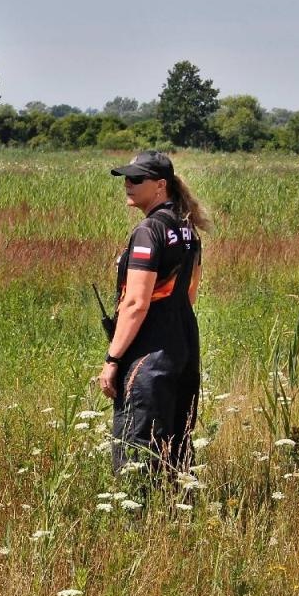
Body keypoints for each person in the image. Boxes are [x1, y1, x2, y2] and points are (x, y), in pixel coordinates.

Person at [95, 150, 207, 474]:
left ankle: (140, 523)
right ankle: (176, 518)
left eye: (136, 179)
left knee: (138, 453)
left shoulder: (149, 231)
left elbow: (136, 303)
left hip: (150, 356)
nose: (128, 184)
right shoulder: (189, 230)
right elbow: (190, 294)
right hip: (184, 348)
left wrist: (113, 359)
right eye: (126, 178)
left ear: (160, 185)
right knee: (176, 448)